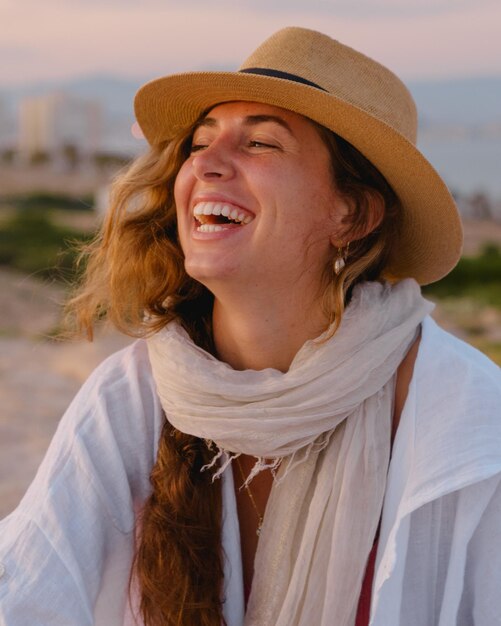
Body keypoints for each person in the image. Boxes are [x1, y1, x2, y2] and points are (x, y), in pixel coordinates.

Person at [0, 26, 500, 626]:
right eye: (199, 143)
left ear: (353, 213)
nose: (206, 163)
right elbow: (28, 590)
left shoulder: (465, 419)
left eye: (261, 144)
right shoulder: (132, 397)